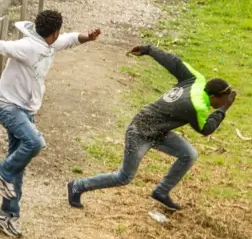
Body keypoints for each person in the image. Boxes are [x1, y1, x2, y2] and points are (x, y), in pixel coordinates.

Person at [0, 10, 101, 238]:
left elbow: (70, 40)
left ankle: (7, 215)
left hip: (26, 111)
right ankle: (2, 171)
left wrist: (88, 36)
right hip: (8, 108)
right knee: (35, 144)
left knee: (19, 168)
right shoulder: (28, 46)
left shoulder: (49, 45)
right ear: (53, 32)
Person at [67, 44, 237, 211]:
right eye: (223, 99)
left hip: (158, 130)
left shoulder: (197, 80)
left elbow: (174, 62)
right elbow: (206, 129)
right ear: (214, 97)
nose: (225, 102)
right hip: (140, 131)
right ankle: (77, 186)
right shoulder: (197, 106)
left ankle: (161, 192)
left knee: (189, 154)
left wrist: (149, 50)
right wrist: (223, 110)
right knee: (124, 177)